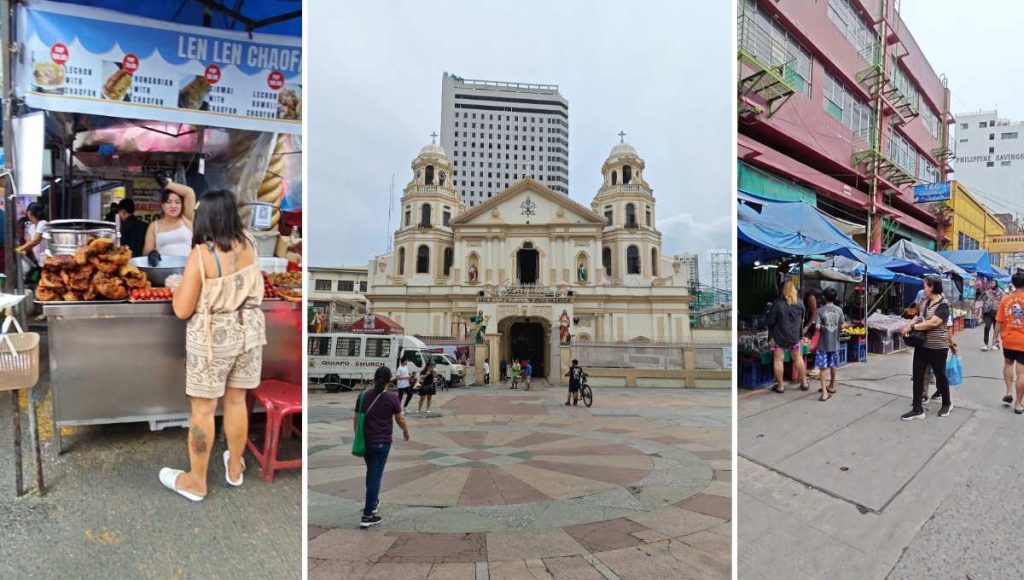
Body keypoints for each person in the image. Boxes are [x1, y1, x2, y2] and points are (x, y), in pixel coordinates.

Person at [158, 189, 266, 502]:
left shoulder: (202, 255)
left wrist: (176, 285)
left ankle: (196, 482)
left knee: (203, 410)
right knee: (236, 401)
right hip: (248, 333)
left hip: (212, 340)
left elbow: (182, 309)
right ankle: (234, 468)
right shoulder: (250, 243)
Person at [354, 365, 409, 528]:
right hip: (383, 442)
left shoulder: (363, 395)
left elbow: (356, 418)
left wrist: (358, 436)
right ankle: (368, 514)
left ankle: (373, 502)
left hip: (367, 441)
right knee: (375, 476)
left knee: (371, 473)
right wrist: (405, 431)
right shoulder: (392, 398)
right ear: (389, 380)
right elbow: (400, 419)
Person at [900, 275, 953, 421]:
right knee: (917, 376)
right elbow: (917, 317)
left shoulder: (943, 304)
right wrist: (907, 326)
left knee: (940, 376)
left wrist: (912, 326)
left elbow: (933, 323)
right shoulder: (923, 302)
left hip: (938, 347)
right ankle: (917, 409)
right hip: (922, 346)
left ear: (933, 287)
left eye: (926, 286)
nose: (924, 289)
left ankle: (947, 403)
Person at [767, 280, 807, 393]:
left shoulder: (777, 304)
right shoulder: (800, 303)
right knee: (798, 358)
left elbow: (770, 321)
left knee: (778, 360)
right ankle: (804, 382)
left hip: (778, 337)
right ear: (795, 290)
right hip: (794, 337)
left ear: (782, 290)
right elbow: (803, 319)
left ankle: (780, 386)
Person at [993, 272, 1024, 411]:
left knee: (1008, 364)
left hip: (1008, 340)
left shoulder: (1005, 300)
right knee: (1022, 373)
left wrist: (995, 337)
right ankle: (1018, 404)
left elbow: (999, 321)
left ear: (1012, 283)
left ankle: (1009, 391)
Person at [143, 179, 197, 258]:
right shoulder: (154, 226)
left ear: (182, 205)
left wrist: (168, 184)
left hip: (188, 268)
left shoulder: (187, 218)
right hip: (163, 268)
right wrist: (152, 253)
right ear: (162, 205)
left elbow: (189, 192)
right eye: (169, 202)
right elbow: (146, 251)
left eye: (177, 202)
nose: (173, 206)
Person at [814, 288, 844, 402]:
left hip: (823, 344)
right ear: (835, 298)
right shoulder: (839, 310)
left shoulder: (820, 310)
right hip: (835, 344)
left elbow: (817, 327)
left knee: (822, 368)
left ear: (823, 298)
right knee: (833, 365)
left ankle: (824, 392)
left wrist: (824, 327)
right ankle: (831, 386)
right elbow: (842, 325)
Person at [979, 279, 1003, 351]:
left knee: (996, 329)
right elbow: (983, 301)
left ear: (996, 284)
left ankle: (994, 344)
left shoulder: (1001, 292)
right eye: (991, 283)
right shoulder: (987, 292)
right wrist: (982, 311)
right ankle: (985, 344)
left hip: (997, 313)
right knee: (987, 327)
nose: (992, 284)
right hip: (988, 312)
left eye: (993, 283)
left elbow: (1003, 303)